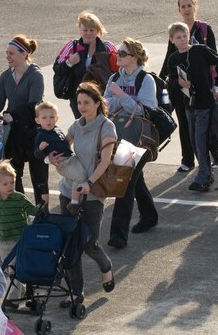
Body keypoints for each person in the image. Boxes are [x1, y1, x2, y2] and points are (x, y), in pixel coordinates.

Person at [48, 81, 115, 307]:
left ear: (98, 103)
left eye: (87, 102)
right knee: (69, 244)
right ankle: (76, 293)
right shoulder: (77, 125)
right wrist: (53, 156)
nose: (82, 106)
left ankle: (105, 265)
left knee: (89, 243)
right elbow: (64, 147)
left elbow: (106, 160)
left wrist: (89, 182)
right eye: (79, 103)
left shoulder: (106, 127)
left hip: (92, 193)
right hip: (69, 190)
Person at [104, 38, 159, 247]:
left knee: (124, 180)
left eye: (123, 54)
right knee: (135, 179)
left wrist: (120, 97)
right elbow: (105, 103)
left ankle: (118, 235)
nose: (118, 56)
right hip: (121, 137)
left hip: (141, 139)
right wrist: (123, 100)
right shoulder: (115, 77)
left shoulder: (146, 80)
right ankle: (150, 215)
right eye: (118, 52)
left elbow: (146, 109)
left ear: (134, 57)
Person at [160, 0, 217, 173]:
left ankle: (205, 159)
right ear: (179, 10)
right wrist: (162, 80)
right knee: (184, 124)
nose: (186, 9)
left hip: (200, 86)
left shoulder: (205, 29)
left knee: (202, 124)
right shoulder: (176, 31)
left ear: (195, 7)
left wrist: (215, 84)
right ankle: (187, 159)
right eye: (182, 6)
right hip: (179, 86)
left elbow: (215, 57)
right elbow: (169, 58)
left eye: (189, 5)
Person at [167, 22, 218, 193]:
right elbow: (171, 79)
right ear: (172, 40)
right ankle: (207, 173)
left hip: (205, 104)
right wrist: (178, 82)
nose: (183, 39)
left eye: (184, 35)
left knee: (200, 139)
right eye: (178, 37)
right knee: (194, 140)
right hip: (188, 105)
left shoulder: (200, 50)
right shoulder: (173, 59)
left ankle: (203, 176)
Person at [0, 34, 49, 206]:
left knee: (39, 178)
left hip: (33, 133)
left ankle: (41, 215)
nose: (7, 56)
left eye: (11, 53)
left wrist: (14, 116)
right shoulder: (5, 76)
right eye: (6, 53)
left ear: (24, 54)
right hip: (13, 133)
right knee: (13, 176)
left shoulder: (35, 75)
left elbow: (35, 104)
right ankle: (19, 212)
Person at [0, 159, 40, 309]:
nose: (10, 186)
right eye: (5, 184)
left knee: (16, 270)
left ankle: (13, 299)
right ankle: (23, 291)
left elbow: (32, 210)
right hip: (2, 242)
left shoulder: (19, 198)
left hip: (19, 241)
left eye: (12, 182)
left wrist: (42, 206)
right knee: (9, 270)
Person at [53, 11, 117, 118]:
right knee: (83, 127)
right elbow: (57, 68)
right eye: (85, 30)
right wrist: (70, 62)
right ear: (80, 30)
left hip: (101, 97)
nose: (88, 33)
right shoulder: (72, 46)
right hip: (78, 99)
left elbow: (119, 68)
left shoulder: (107, 47)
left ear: (98, 30)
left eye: (92, 30)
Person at [33, 101, 86, 213]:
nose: (48, 120)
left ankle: (74, 195)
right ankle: (74, 203)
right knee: (80, 177)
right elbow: (37, 155)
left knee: (84, 172)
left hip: (71, 158)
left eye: (51, 117)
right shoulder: (41, 135)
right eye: (44, 117)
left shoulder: (56, 129)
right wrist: (41, 149)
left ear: (56, 118)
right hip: (62, 163)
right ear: (37, 120)